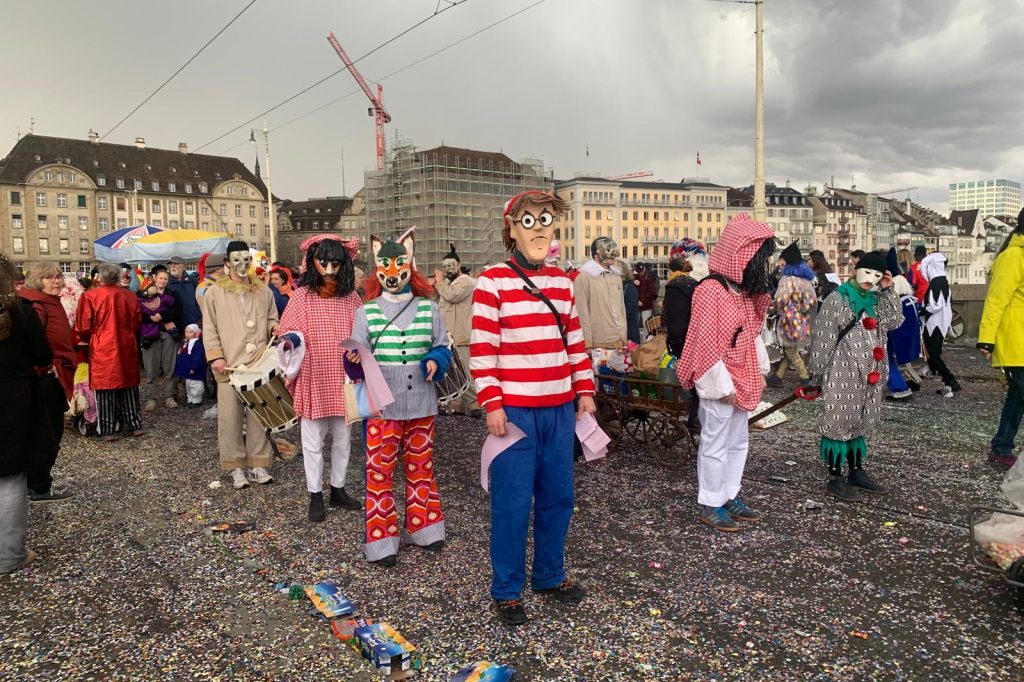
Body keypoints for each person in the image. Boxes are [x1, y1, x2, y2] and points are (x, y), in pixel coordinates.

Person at [471, 190, 596, 625]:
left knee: (559, 497)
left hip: (560, 408)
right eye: (529, 220)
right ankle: (506, 589)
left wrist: (585, 389)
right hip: (516, 413)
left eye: (545, 219)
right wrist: (492, 403)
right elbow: (483, 351)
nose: (539, 227)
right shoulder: (491, 282)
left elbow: (574, 342)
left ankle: (549, 574)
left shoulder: (562, 282)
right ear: (511, 229)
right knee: (512, 503)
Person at [346, 229, 451, 566]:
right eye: (385, 266)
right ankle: (382, 541)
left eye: (399, 264)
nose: (393, 273)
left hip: (422, 402)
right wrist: (353, 361)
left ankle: (425, 528)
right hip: (382, 406)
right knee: (380, 472)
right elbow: (353, 357)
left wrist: (436, 359)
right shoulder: (367, 312)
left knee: (422, 466)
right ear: (378, 269)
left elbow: (442, 346)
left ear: (410, 264)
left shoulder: (428, 308)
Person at [675, 214, 775, 532]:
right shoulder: (710, 290)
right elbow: (705, 341)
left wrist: (756, 370)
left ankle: (730, 494)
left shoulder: (742, 292)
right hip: (719, 379)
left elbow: (750, 333)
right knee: (715, 441)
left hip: (741, 375)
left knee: (738, 441)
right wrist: (721, 384)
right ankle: (710, 501)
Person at [277, 235, 363, 522]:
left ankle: (337, 489)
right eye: (323, 262)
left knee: (343, 438)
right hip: (314, 375)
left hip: (343, 377)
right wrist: (289, 339)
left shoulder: (351, 297)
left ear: (344, 264)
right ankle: (315, 493)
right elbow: (286, 330)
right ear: (312, 262)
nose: (329, 268)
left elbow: (363, 332)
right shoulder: (301, 296)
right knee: (312, 441)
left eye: (335, 263)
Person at [807, 251, 903, 502]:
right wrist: (816, 377)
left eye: (877, 275)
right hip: (843, 372)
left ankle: (856, 471)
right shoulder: (837, 299)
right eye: (867, 272)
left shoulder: (878, 300)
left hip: (871, 374)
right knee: (839, 422)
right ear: (856, 270)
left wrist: (888, 290)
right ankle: (835, 477)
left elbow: (894, 320)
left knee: (861, 421)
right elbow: (823, 340)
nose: (870, 279)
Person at [203, 241, 279, 490]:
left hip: (258, 363)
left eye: (246, 259)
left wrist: (273, 327)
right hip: (229, 365)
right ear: (227, 263)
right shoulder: (214, 292)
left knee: (260, 413)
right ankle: (235, 467)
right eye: (236, 260)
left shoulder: (264, 291)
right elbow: (210, 327)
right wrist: (216, 356)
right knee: (230, 418)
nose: (242, 265)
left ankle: (258, 463)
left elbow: (271, 317)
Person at [0, 253, 54, 573]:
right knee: (9, 476)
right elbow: (41, 354)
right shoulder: (21, 312)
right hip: (13, 401)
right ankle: (8, 554)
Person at [20, 262, 76, 502]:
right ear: (37, 280)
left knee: (47, 430)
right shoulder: (37, 306)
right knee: (48, 433)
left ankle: (34, 483)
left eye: (58, 277)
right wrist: (45, 367)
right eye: (49, 277)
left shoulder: (47, 302)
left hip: (53, 372)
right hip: (48, 376)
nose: (56, 281)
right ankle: (39, 486)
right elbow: (31, 343)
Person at [75, 263, 145, 442]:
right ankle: (134, 424)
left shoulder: (90, 296)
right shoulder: (129, 295)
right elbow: (137, 321)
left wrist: (91, 335)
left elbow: (83, 326)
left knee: (104, 387)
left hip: (102, 345)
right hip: (126, 343)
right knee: (129, 385)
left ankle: (107, 429)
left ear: (101, 277)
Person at [978, 213, 1024, 468]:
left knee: (1018, 397)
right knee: (1019, 395)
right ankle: (1001, 446)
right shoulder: (1012, 257)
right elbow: (996, 301)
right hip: (1016, 340)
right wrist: (986, 339)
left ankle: (1001, 446)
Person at [661, 238, 707, 430]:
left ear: (672, 270)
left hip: (682, 339)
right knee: (698, 377)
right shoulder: (696, 284)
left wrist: (673, 342)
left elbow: (675, 320)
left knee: (690, 379)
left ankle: (692, 419)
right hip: (697, 338)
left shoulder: (673, 287)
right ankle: (696, 416)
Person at [434, 242, 480, 417]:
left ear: (459, 265)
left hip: (462, 334)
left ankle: (473, 404)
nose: (447, 269)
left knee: (466, 371)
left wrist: (439, 283)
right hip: (448, 335)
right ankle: (456, 405)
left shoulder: (466, 281)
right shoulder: (446, 285)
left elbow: (452, 295)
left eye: (451, 265)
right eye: (444, 266)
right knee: (452, 371)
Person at [767, 242, 816, 388]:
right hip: (803, 319)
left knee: (790, 350)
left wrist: (769, 307)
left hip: (790, 320)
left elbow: (781, 299)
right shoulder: (806, 280)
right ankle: (778, 376)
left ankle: (804, 377)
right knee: (792, 349)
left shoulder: (787, 279)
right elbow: (812, 301)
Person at [574, 237, 628, 352]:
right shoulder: (584, 277)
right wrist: (587, 343)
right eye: (609, 252)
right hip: (598, 343)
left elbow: (621, 308)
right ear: (597, 255)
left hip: (619, 341)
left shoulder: (616, 276)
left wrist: (624, 335)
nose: (614, 255)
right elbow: (581, 313)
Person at [140, 266, 182, 411]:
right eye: (161, 278)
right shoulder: (143, 294)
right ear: (155, 279)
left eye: (166, 279)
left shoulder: (173, 294)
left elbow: (177, 310)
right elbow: (138, 310)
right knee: (151, 367)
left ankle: (169, 396)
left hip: (168, 333)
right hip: (150, 334)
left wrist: (162, 316)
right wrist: (149, 317)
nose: (163, 281)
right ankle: (152, 398)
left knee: (169, 366)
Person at [920, 252, 961, 397]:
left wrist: (921, 311)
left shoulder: (937, 283)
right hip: (939, 322)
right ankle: (919, 379)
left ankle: (951, 382)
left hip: (934, 323)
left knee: (933, 354)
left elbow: (935, 306)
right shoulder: (942, 281)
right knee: (931, 354)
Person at [885, 248, 920, 400]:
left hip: (892, 334)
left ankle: (900, 389)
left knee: (885, 361)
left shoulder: (894, 296)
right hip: (902, 334)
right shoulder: (908, 296)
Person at [173, 324, 207, 408]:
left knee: (195, 384)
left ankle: (196, 400)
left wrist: (194, 367)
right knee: (188, 385)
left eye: (190, 332)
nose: (188, 334)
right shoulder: (184, 343)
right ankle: (190, 399)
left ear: (195, 333)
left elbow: (198, 357)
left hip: (194, 369)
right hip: (186, 368)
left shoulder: (197, 344)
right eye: (186, 332)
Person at [167, 257, 201, 330]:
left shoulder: (192, 281)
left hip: (192, 322)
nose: (172, 266)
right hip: (174, 325)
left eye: (176, 264)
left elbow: (200, 299)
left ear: (183, 267)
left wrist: (199, 315)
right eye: (170, 264)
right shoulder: (166, 282)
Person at [617, 258, 641, 345]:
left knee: (632, 350)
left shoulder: (628, 286)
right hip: (626, 324)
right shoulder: (624, 285)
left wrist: (621, 316)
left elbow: (630, 307)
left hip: (629, 326)